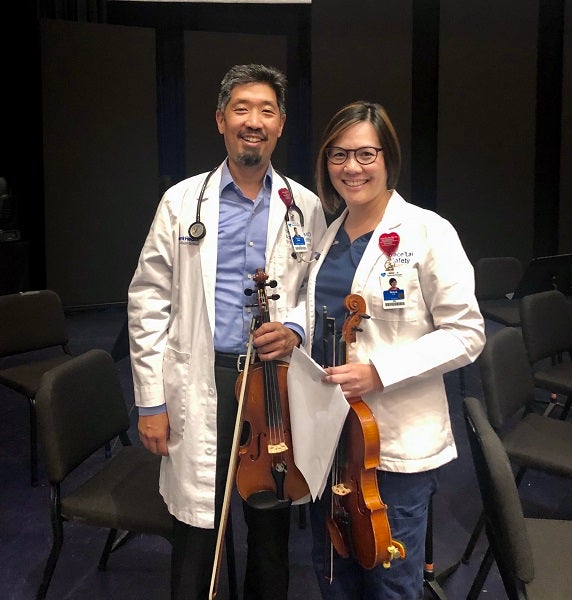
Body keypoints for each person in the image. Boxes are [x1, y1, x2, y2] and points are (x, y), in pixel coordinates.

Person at [128, 64, 327, 600]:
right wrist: (150, 403)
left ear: (281, 124)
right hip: (203, 380)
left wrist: (293, 328)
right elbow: (147, 301)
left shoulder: (304, 206)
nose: (253, 122)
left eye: (266, 111)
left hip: (272, 388)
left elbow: (316, 290)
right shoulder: (181, 201)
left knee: (270, 529)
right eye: (241, 109)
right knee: (196, 532)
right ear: (221, 120)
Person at [303, 101, 485, 599]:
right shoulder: (327, 235)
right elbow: (318, 318)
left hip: (393, 444)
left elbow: (467, 332)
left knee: (389, 582)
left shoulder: (428, 231)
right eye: (338, 155)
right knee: (333, 569)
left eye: (365, 153)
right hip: (329, 439)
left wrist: (379, 372)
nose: (351, 167)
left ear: (388, 159)